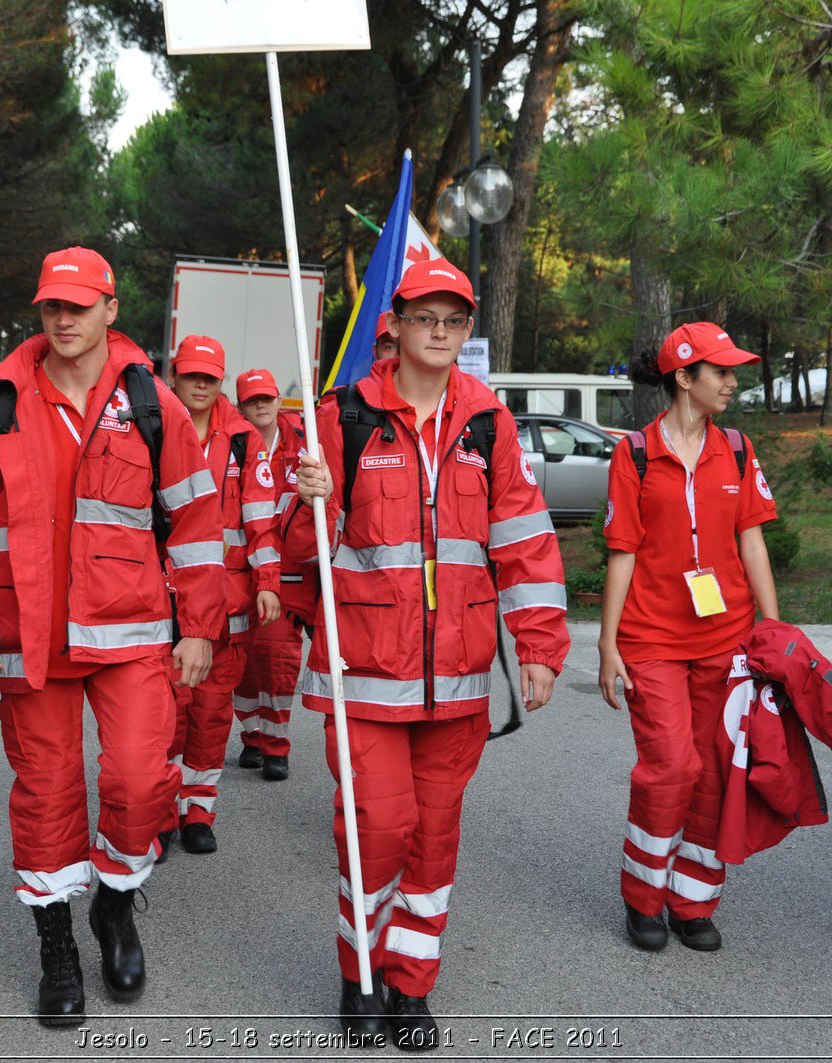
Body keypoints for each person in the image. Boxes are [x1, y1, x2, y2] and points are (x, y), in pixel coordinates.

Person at [0, 246, 226, 1024]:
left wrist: (199, 625)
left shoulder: (150, 403)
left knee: (137, 782)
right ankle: (57, 947)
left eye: (78, 306)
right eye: (52, 306)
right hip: (28, 636)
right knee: (48, 794)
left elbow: (194, 520)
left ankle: (115, 904)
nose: (62, 319)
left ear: (110, 310)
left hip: (130, 631)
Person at [288, 258, 569, 1049]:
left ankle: (411, 984)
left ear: (466, 330)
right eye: (425, 319)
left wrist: (541, 643)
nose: (439, 333)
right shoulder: (340, 415)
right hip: (364, 670)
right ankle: (362, 975)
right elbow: (296, 548)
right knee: (376, 827)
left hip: (459, 678)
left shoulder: (489, 423)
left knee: (434, 834)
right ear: (396, 325)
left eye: (454, 321)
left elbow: (523, 539)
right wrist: (306, 494)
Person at [596, 321, 779, 955]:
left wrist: (771, 632)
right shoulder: (635, 454)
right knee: (671, 765)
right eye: (721, 371)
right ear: (684, 377)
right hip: (652, 640)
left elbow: (751, 540)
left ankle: (693, 899)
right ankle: (644, 895)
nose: (732, 382)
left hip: (728, 636)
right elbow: (621, 552)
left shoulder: (739, 448)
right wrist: (607, 645)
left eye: (734, 371)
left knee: (716, 773)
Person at [161, 336, 280, 855]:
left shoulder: (241, 438)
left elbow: (260, 514)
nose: (202, 385)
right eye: (192, 375)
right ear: (176, 375)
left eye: (210, 376)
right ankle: (161, 809)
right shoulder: (153, 425)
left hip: (228, 601)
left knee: (211, 714)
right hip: (164, 596)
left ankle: (199, 810)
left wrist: (269, 581)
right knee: (166, 713)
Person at [233, 366, 306, 779]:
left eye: (267, 397)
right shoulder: (232, 443)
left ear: (279, 400)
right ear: (240, 405)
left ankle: (277, 744)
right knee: (240, 662)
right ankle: (252, 735)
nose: (261, 405)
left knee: (277, 659)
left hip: (289, 578)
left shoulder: (304, 443)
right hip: (239, 574)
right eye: (251, 399)